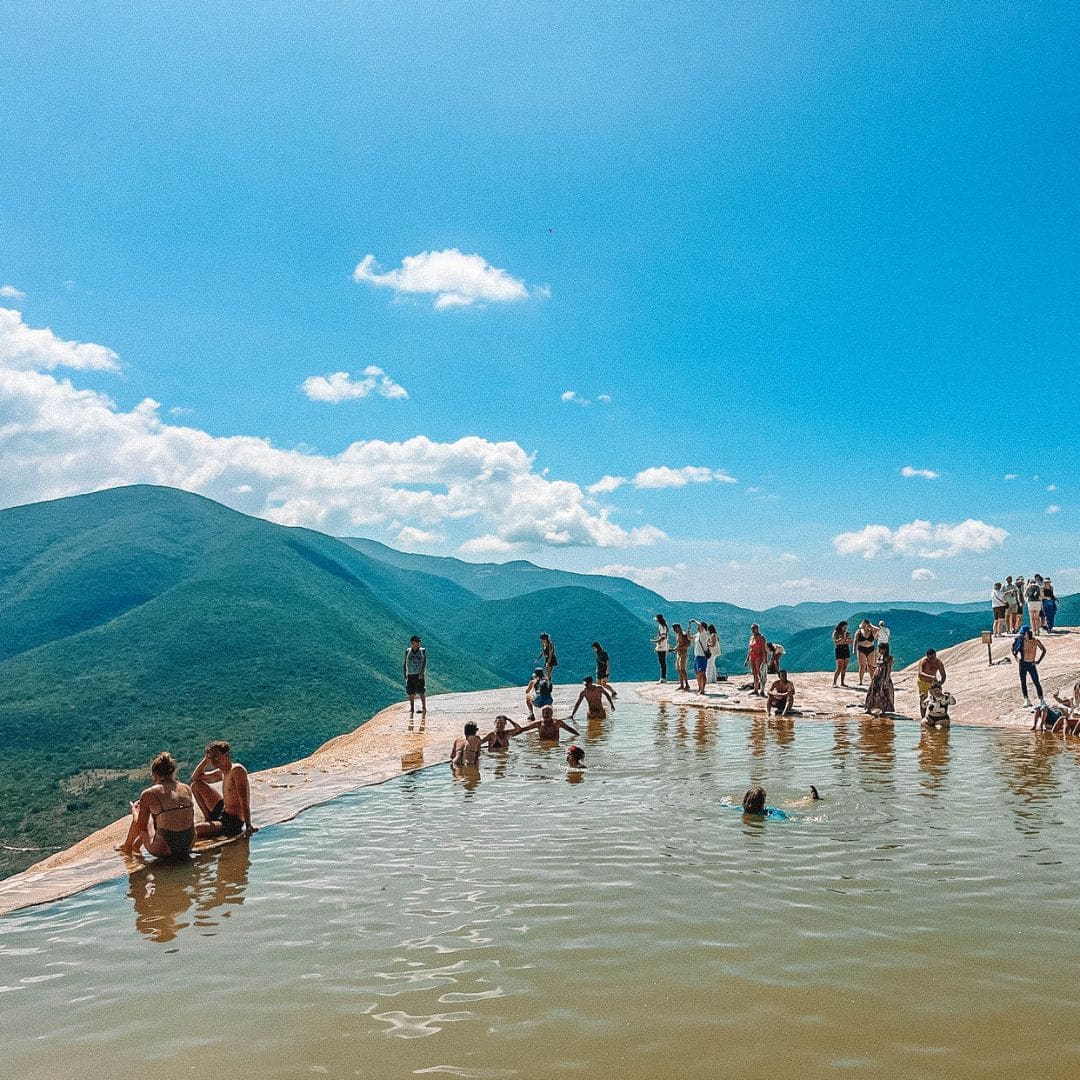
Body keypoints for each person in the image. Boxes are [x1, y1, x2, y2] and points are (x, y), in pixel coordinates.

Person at [115, 751, 196, 858]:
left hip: (163, 848)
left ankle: (126, 846)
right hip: (189, 844)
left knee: (145, 817)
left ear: (154, 775)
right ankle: (133, 846)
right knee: (160, 816)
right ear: (173, 772)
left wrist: (135, 810)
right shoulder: (186, 788)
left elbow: (141, 826)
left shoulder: (149, 793)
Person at [191, 741, 256, 840]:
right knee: (196, 785)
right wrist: (206, 759)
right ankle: (208, 818)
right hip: (222, 810)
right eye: (210, 757)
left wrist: (248, 825)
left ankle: (212, 826)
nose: (213, 760)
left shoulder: (237, 770)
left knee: (196, 829)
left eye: (215, 756)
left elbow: (244, 799)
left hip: (232, 820)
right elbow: (195, 777)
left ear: (226, 755)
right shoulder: (221, 771)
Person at [1012, 626, 1046, 707]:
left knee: (1036, 682)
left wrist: (1038, 661)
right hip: (1023, 664)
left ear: (1028, 633)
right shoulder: (1020, 641)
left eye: (1024, 634)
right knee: (1023, 682)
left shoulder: (1035, 641)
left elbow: (1044, 650)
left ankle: (1041, 700)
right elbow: (1013, 650)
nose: (1022, 635)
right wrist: (1017, 658)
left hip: (1031, 664)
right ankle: (1026, 700)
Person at [864, 643, 895, 716]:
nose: (879, 650)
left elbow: (889, 670)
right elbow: (877, 666)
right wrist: (869, 665)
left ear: (884, 649)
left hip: (883, 677)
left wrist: (886, 680)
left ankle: (883, 710)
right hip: (876, 677)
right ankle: (869, 708)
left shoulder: (889, 658)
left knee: (883, 694)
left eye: (880, 649)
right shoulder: (879, 657)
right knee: (872, 692)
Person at [916, 649, 947, 718]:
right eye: (930, 658)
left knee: (937, 698)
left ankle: (936, 715)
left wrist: (941, 683)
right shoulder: (923, 661)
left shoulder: (938, 662)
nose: (932, 660)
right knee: (924, 698)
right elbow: (920, 673)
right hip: (922, 682)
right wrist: (932, 677)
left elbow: (943, 675)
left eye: (934, 658)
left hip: (932, 683)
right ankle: (923, 717)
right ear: (927, 656)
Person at [403, 635, 427, 718]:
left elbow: (424, 663)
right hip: (410, 674)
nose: (418, 643)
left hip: (418, 674)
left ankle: (424, 707)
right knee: (411, 693)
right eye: (417, 642)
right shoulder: (408, 651)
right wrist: (405, 673)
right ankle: (412, 708)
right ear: (413, 643)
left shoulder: (422, 651)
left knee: (421, 692)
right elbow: (405, 662)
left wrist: (422, 673)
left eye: (418, 642)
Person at [744, 624, 767, 696]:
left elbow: (764, 649)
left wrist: (765, 659)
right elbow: (750, 649)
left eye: (754, 628)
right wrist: (747, 659)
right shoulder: (751, 638)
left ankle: (762, 689)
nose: (753, 630)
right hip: (752, 656)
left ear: (757, 629)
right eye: (752, 629)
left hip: (759, 656)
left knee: (760, 673)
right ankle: (756, 689)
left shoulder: (761, 637)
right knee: (754, 673)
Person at [690, 618, 711, 694]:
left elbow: (701, 625)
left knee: (702, 673)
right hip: (696, 655)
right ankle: (699, 688)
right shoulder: (697, 635)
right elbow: (689, 638)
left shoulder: (704, 634)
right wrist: (689, 629)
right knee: (697, 673)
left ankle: (702, 689)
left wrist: (694, 621)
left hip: (702, 656)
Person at [854, 620, 877, 685]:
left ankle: (873, 681)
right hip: (861, 649)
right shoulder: (858, 632)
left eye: (865, 624)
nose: (864, 626)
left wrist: (871, 625)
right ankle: (860, 681)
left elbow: (878, 629)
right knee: (862, 666)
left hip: (871, 649)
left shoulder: (872, 631)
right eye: (863, 624)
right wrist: (854, 649)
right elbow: (855, 641)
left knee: (871, 666)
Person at [673, 623, 691, 691]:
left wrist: (681, 647)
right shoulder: (678, 635)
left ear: (678, 627)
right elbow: (678, 644)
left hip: (683, 653)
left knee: (682, 669)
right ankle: (681, 685)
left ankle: (686, 684)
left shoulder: (684, 634)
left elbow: (688, 643)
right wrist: (674, 649)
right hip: (678, 653)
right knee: (679, 669)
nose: (674, 630)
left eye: (675, 629)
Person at [832, 621, 851, 687]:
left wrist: (845, 640)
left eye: (846, 627)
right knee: (839, 667)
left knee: (844, 667)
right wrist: (843, 639)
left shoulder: (847, 633)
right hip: (839, 650)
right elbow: (836, 642)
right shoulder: (836, 633)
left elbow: (849, 641)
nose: (845, 628)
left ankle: (842, 682)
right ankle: (834, 682)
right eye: (844, 627)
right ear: (841, 626)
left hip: (846, 649)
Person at [653, 614, 671, 682]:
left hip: (661, 646)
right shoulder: (664, 626)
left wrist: (656, 641)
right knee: (662, 662)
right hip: (663, 646)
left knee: (662, 662)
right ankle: (663, 676)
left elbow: (663, 637)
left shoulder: (662, 626)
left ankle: (663, 677)